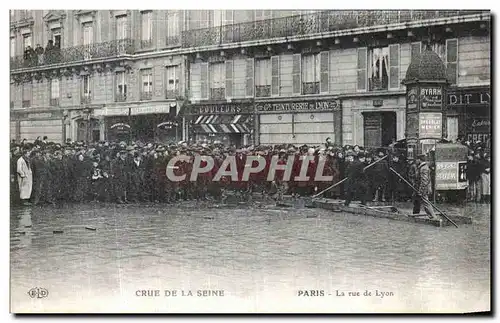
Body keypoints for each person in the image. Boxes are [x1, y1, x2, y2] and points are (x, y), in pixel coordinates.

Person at [413, 154, 439, 220]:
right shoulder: (422, 167)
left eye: (417, 160)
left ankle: (433, 217)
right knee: (417, 201)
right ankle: (415, 215)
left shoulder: (423, 168)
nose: (416, 161)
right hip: (420, 188)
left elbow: (424, 181)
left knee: (426, 203)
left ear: (419, 160)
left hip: (423, 189)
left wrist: (420, 191)